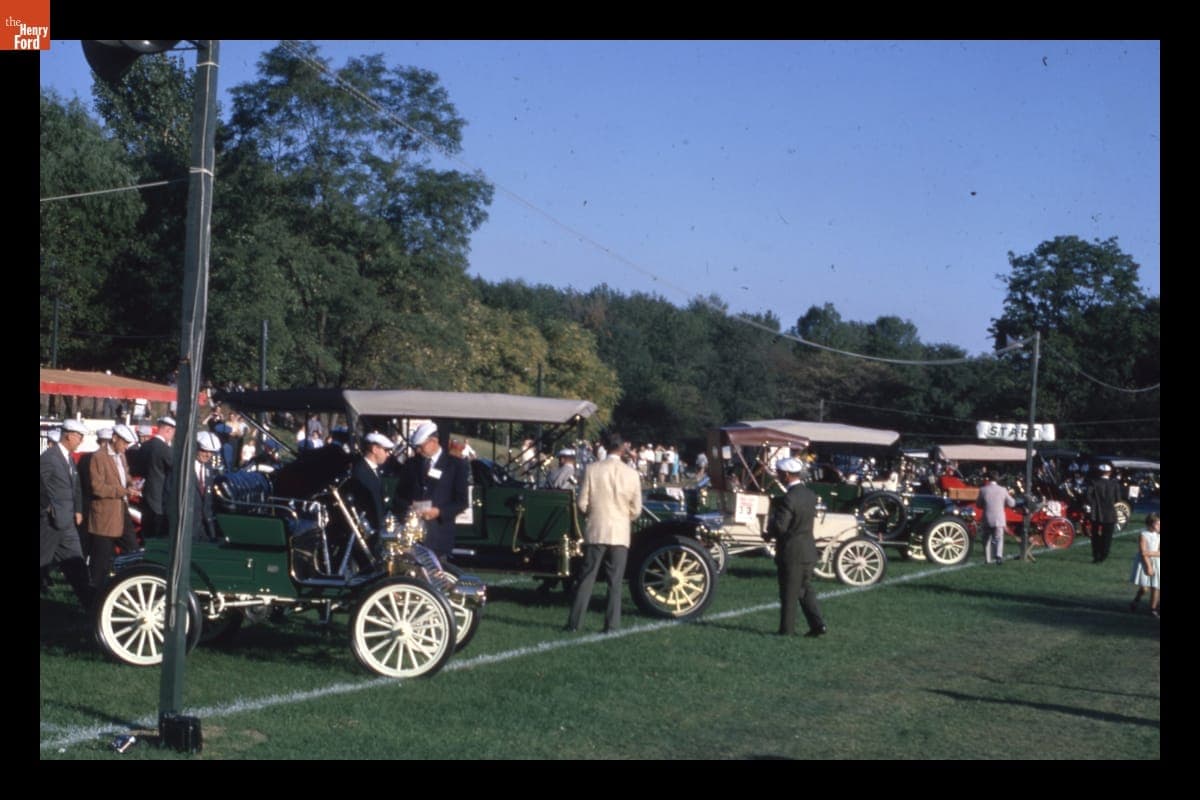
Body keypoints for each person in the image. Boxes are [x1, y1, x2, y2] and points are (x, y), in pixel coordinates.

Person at [566, 431, 642, 633]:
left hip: (596, 529)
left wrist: (591, 514)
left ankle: (574, 623)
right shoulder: (632, 474)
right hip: (620, 531)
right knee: (615, 581)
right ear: (622, 448)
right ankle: (612, 625)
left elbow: (582, 503)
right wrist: (625, 516)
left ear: (606, 447)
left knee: (587, 577)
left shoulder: (592, 469)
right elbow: (637, 509)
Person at [764, 457, 826, 637]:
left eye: (779, 473)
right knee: (804, 590)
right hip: (808, 550)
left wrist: (769, 532)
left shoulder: (789, 498)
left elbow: (781, 527)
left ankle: (786, 630)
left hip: (792, 553)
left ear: (786, 474)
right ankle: (818, 625)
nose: (778, 476)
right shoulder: (809, 495)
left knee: (789, 594)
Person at [392, 423, 469, 559]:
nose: (419, 451)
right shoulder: (411, 464)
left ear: (434, 441)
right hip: (412, 535)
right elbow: (399, 496)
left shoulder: (456, 465)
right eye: (417, 447)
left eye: (421, 446)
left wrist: (439, 512)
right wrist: (409, 508)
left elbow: (461, 502)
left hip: (439, 536)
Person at [40, 419, 93, 607]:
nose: (81, 440)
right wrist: (47, 507)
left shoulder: (68, 458)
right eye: (79, 436)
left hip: (67, 523)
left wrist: (77, 510)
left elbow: (75, 486)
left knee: (76, 562)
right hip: (50, 523)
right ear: (68, 435)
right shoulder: (50, 457)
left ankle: (89, 604)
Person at [86, 424, 138, 588]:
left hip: (121, 510)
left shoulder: (121, 456)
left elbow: (125, 476)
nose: (126, 447)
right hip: (104, 515)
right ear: (114, 438)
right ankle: (94, 592)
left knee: (133, 549)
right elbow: (98, 487)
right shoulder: (98, 457)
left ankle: (129, 583)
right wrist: (123, 490)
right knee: (101, 558)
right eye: (124, 443)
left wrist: (132, 485)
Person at [345, 431, 395, 534]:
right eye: (386, 450)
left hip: (378, 528)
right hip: (367, 531)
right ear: (375, 449)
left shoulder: (375, 470)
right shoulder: (360, 472)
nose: (388, 454)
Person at [139, 415, 176, 539]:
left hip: (146, 495)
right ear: (168, 430)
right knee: (157, 533)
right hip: (159, 498)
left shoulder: (145, 446)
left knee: (146, 531)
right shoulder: (165, 449)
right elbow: (175, 468)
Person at [977, 475, 1016, 565]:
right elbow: (1012, 503)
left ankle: (987, 558)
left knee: (986, 539)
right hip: (999, 518)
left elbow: (978, 504)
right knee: (998, 537)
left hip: (987, 518)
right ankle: (998, 555)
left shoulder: (983, 490)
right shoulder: (1002, 490)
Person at [1087, 462, 1122, 564]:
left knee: (1095, 535)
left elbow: (1088, 496)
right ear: (1110, 472)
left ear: (1100, 472)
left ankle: (1096, 555)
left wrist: (1094, 504)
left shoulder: (1094, 482)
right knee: (1107, 536)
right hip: (1110, 513)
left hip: (1096, 512)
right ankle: (1104, 554)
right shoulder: (1114, 484)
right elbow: (1118, 499)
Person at [191, 431, 221, 542]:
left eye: (211, 452)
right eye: (205, 450)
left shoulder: (209, 468)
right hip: (188, 526)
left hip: (205, 528)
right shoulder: (184, 467)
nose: (208, 455)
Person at [1129, 512, 1161, 617]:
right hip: (1144, 561)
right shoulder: (1143, 535)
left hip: (1157, 561)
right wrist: (1148, 566)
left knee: (1156, 586)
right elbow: (1143, 552)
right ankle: (1136, 600)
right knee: (1144, 588)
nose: (1159, 526)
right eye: (1157, 524)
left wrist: (1148, 552)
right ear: (1150, 524)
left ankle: (1153, 609)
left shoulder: (1159, 535)